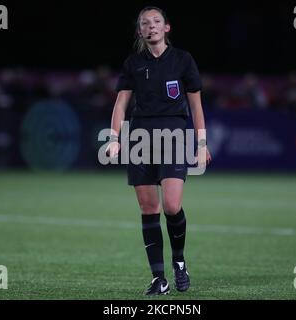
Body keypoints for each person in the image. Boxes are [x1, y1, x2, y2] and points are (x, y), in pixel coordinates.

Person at [106, 6, 211, 295]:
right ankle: (158, 278)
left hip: (174, 135)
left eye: (156, 22)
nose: (150, 26)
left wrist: (202, 143)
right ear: (139, 31)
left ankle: (179, 261)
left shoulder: (182, 60)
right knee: (148, 208)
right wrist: (114, 137)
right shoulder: (133, 63)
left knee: (172, 206)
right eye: (144, 23)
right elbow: (120, 103)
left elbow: (196, 106)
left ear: (167, 28)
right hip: (140, 138)